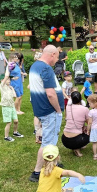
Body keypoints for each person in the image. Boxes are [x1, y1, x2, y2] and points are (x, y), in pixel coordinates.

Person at [29, 45, 64, 182]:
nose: (57, 60)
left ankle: (53, 163)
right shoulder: (46, 69)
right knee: (48, 143)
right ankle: (37, 172)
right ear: (52, 54)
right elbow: (50, 94)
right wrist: (58, 110)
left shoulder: (35, 66)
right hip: (49, 111)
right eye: (57, 57)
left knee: (51, 138)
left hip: (41, 109)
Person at [62, 91, 90, 157]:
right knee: (92, 130)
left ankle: (78, 146)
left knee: (82, 128)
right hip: (76, 140)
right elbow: (89, 122)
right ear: (81, 99)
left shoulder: (68, 107)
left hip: (64, 139)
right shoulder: (85, 109)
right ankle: (77, 148)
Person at [0, 74, 24, 142]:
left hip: (12, 106)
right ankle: (6, 137)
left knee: (16, 121)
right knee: (9, 123)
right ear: (2, 80)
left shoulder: (10, 88)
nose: (9, 80)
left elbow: (15, 96)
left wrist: (12, 88)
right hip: (6, 107)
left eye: (9, 79)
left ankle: (15, 132)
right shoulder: (2, 86)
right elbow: (5, 77)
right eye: (7, 79)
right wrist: (8, 70)